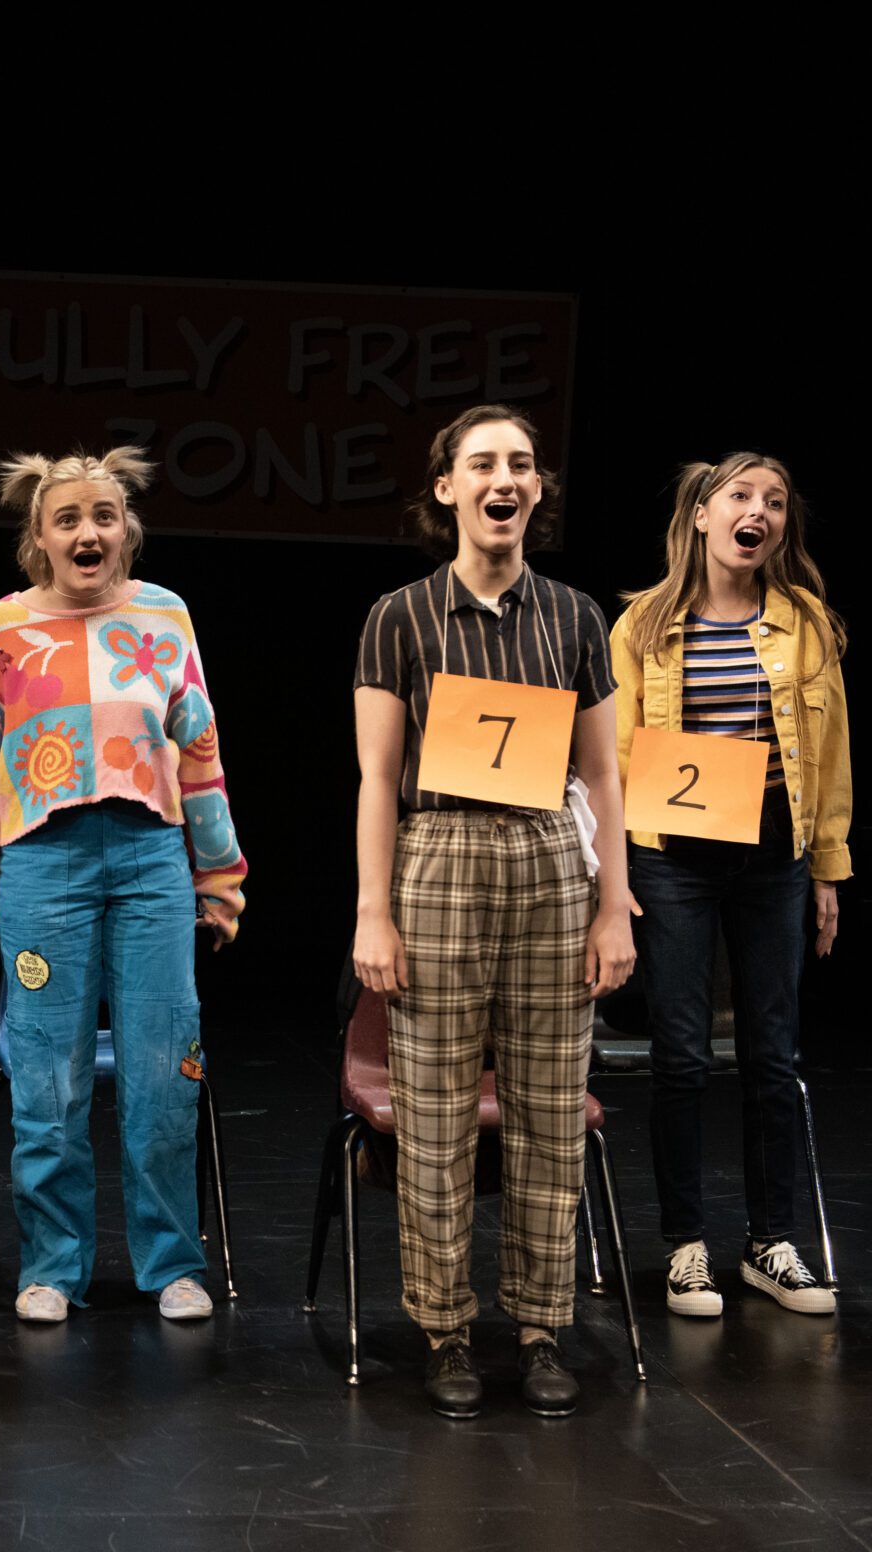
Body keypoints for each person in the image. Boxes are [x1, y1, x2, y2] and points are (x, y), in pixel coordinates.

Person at [350, 404, 636, 1421]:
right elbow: (377, 776)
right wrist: (371, 912)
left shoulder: (573, 617)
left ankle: (541, 1325)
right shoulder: (401, 615)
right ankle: (441, 1327)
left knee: (550, 1110)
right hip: (438, 855)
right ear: (446, 489)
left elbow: (603, 773)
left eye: (519, 463)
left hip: (549, 857)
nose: (503, 479)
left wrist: (615, 903)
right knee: (430, 1115)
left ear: (534, 491)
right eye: (482, 464)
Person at [0, 447, 245, 1326]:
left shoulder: (164, 614)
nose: (87, 531)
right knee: (46, 1076)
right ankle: (53, 1263)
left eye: (102, 517)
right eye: (67, 518)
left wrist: (218, 878)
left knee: (162, 1071)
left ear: (126, 530)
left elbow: (201, 754)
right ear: (39, 535)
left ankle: (172, 1263)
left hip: (151, 865)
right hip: (44, 870)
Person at [613, 453, 849, 1318]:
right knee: (680, 1054)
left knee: (772, 1054)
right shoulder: (641, 624)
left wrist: (828, 866)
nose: (761, 512)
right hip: (673, 858)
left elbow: (831, 756)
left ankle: (770, 1242)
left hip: (773, 857)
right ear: (703, 514)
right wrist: (618, 875)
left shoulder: (805, 624)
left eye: (776, 501)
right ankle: (684, 1246)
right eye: (743, 497)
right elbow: (613, 755)